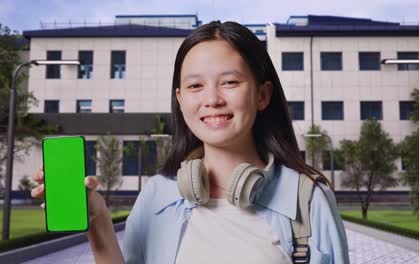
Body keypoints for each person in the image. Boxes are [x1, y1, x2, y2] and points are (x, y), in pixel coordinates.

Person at [31, 20, 349, 264]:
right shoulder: (157, 195)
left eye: (230, 82)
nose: (212, 99)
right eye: (195, 85)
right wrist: (98, 221)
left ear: (262, 95)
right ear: (181, 101)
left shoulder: (309, 200)